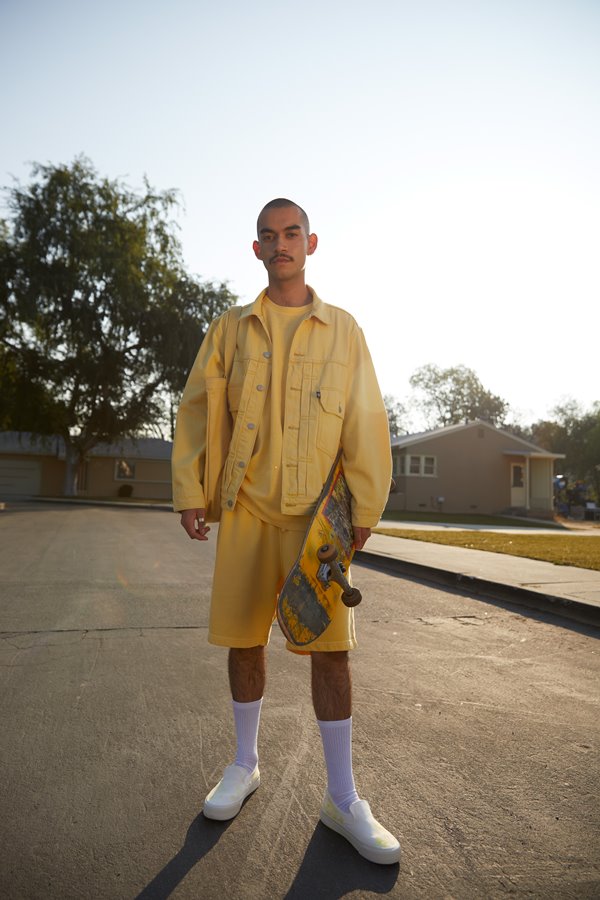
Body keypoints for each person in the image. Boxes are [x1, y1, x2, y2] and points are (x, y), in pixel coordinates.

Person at [172, 199, 400, 865]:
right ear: (256, 250)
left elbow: (366, 419)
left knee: (332, 653)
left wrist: (364, 510)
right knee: (244, 644)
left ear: (311, 243)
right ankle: (244, 764)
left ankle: (343, 797)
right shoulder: (230, 330)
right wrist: (192, 490)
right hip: (246, 509)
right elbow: (193, 410)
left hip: (317, 522)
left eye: (291, 233)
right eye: (268, 236)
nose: (281, 245)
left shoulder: (345, 330)